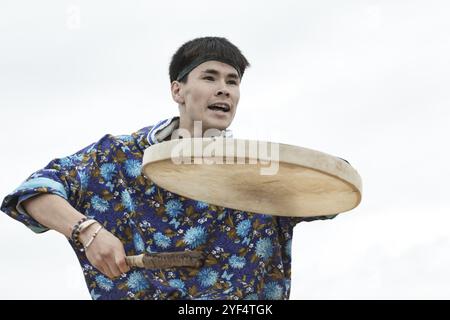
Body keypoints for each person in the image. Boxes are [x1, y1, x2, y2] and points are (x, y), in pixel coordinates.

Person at [1, 36, 335, 300]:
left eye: (232, 82)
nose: (224, 89)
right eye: (210, 77)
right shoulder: (118, 157)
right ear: (178, 89)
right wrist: (88, 232)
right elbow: (33, 193)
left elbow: (333, 189)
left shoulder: (256, 164)